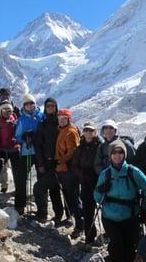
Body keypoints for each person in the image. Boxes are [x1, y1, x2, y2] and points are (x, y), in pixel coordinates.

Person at [94, 139, 146, 262]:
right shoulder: (106, 174)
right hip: (110, 217)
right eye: (114, 152)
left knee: (130, 244)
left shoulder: (133, 172)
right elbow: (96, 196)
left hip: (130, 216)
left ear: (124, 154)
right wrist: (101, 190)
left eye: (120, 152)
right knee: (116, 243)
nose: (117, 155)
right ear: (110, 155)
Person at [32, 98, 65, 225]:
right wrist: (40, 163)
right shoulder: (42, 124)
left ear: (56, 107)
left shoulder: (61, 123)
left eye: (52, 106)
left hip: (58, 162)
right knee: (43, 187)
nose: (50, 108)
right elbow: (38, 146)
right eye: (48, 106)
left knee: (54, 189)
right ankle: (43, 213)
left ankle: (58, 214)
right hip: (45, 162)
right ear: (45, 108)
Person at [52, 108, 84, 236]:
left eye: (64, 118)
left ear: (68, 119)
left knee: (73, 197)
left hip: (67, 170)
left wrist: (60, 161)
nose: (62, 120)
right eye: (60, 118)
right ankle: (78, 222)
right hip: (63, 169)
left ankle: (80, 224)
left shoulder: (70, 132)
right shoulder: (62, 130)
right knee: (70, 196)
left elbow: (72, 151)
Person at [71, 121, 103, 245]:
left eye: (91, 131)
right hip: (86, 182)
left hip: (99, 182)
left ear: (95, 132)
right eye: (86, 130)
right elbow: (74, 166)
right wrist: (83, 175)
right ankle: (90, 237)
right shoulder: (80, 148)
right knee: (88, 211)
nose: (88, 133)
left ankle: (107, 237)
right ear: (83, 132)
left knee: (104, 210)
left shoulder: (101, 147)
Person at [14, 94, 44, 215]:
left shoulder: (41, 117)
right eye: (27, 104)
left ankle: (42, 209)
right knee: (21, 179)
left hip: (39, 152)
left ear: (35, 104)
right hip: (26, 152)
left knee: (41, 180)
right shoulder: (21, 119)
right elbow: (17, 136)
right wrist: (23, 137)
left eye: (31, 103)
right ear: (24, 106)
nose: (29, 106)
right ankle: (20, 206)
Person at [0, 87, 20, 192]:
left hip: (13, 145)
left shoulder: (15, 110)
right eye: (3, 95)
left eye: (6, 95)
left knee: (15, 169)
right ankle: (3, 186)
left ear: (9, 96)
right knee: (1, 166)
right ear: (0, 96)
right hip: (1, 145)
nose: (4, 97)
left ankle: (17, 188)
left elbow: (20, 125)